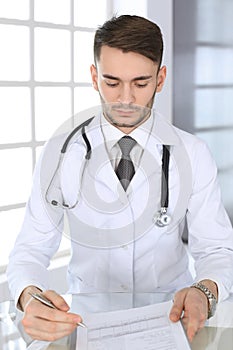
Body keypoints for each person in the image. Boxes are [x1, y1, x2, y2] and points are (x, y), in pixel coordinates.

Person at [7, 14, 233, 344]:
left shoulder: (193, 153)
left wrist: (206, 290)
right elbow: (29, 251)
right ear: (94, 76)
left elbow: (216, 249)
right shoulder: (60, 154)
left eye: (140, 83)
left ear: (160, 78)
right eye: (112, 83)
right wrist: (29, 297)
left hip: (172, 320)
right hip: (87, 324)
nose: (125, 99)